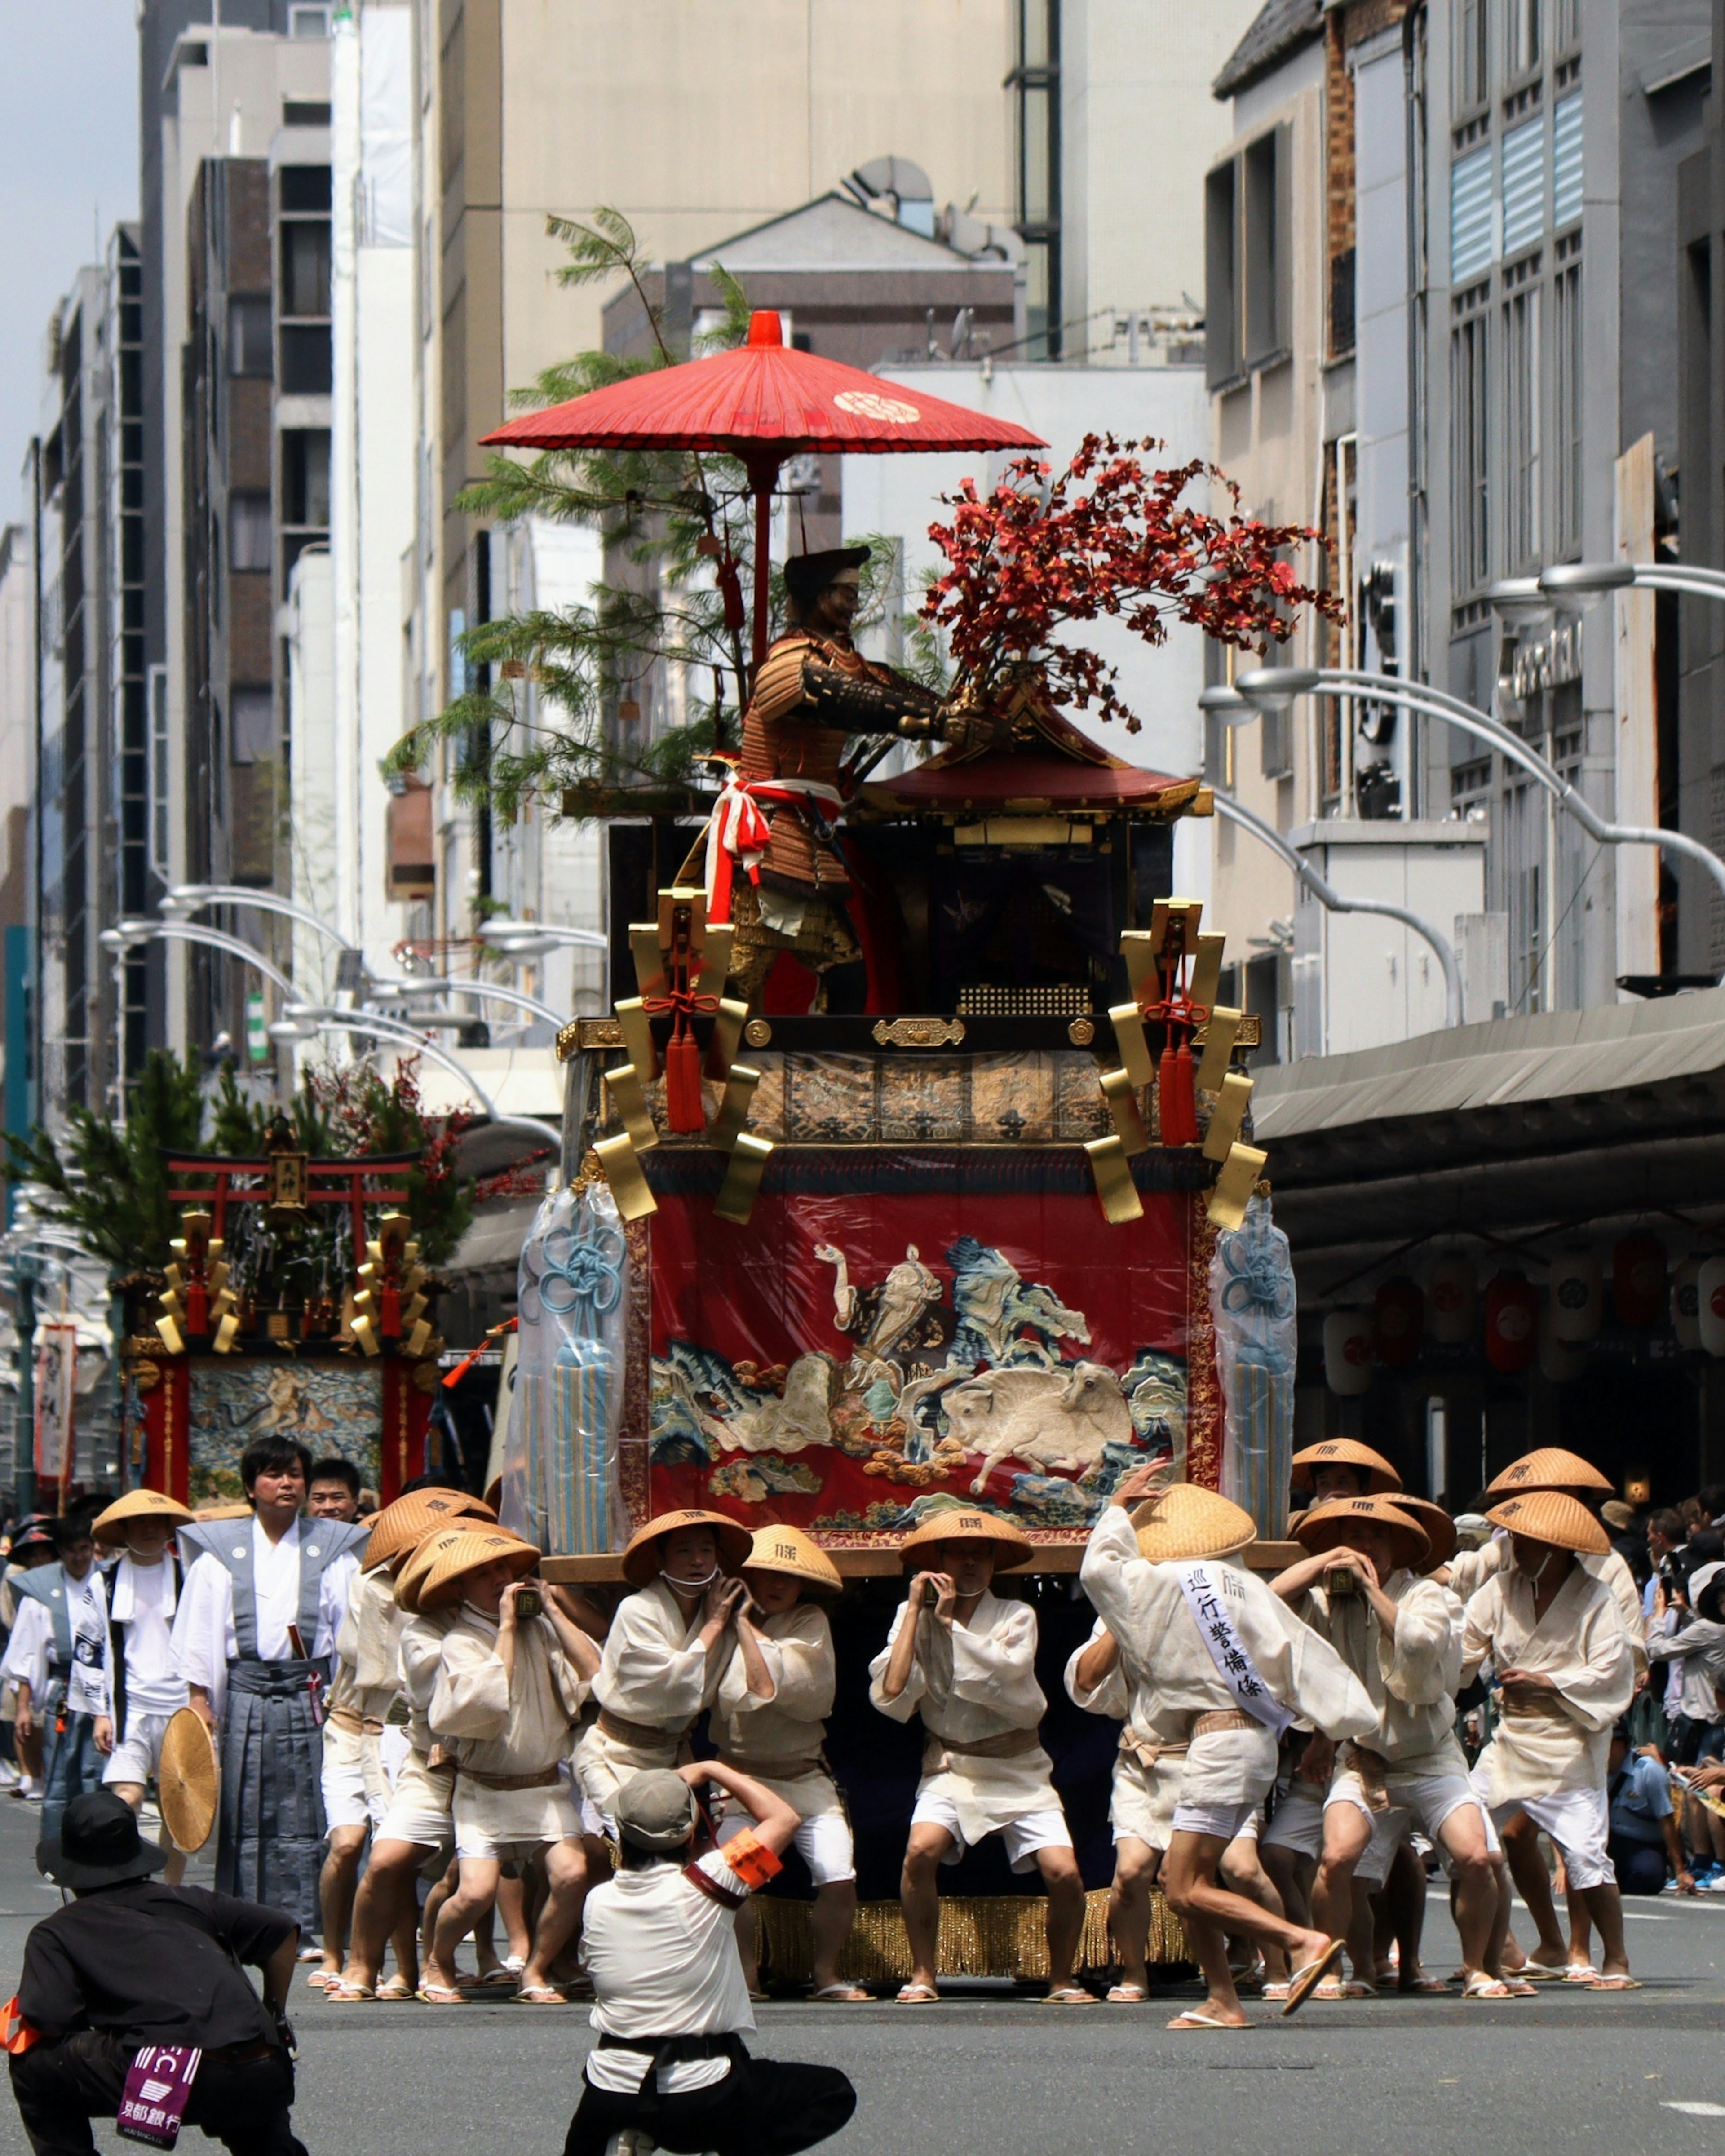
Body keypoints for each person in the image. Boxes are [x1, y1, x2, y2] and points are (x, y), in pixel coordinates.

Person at [1080, 1466, 1378, 2029]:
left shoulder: (1157, 1582)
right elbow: (1302, 1656)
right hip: (1247, 1742)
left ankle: (1301, 1939)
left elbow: (1099, 1568)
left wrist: (1117, 1508)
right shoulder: (1242, 1587)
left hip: (1218, 1744)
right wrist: (1331, 1726)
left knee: (1187, 1886)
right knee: (1179, 1881)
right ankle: (1223, 1997)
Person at [715, 545, 991, 1009]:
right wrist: (932, 718)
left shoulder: (843, 660)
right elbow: (845, 698)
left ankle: (819, 1064)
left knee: (844, 974)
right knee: (740, 977)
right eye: (845, 593)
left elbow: (887, 691)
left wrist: (953, 710)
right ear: (817, 595)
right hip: (767, 840)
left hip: (804, 839)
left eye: (854, 593)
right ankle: (720, 1068)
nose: (853, 603)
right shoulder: (788, 662)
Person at [1270, 1494, 1506, 1998]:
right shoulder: (1330, 1598)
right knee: (1337, 1859)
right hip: (1363, 1758)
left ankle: (1478, 1967)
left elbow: (1418, 1645)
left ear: (1398, 1544)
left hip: (1430, 1754)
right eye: (1355, 1536)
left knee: (1477, 1857)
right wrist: (1322, 1561)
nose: (1367, 1545)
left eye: (1377, 1536)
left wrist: (1371, 1589)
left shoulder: (1425, 1594)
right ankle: (1342, 1969)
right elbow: (1270, 1601)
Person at [565, 1762, 857, 2156]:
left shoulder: (597, 1900)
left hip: (609, 2090)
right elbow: (783, 1818)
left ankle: (638, 2131)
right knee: (832, 2092)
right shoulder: (710, 1883)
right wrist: (713, 1767)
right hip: (702, 2091)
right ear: (689, 1831)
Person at [869, 1510, 1090, 2006]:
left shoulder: (1017, 1615)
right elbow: (893, 1687)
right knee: (919, 1852)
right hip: (952, 1765)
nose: (969, 1562)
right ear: (939, 1561)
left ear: (993, 1563)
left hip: (1018, 1765)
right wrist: (914, 1610)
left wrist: (952, 1627)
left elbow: (1007, 1675)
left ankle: (1061, 1977)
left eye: (981, 1554)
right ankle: (924, 1972)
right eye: (958, 1553)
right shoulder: (917, 1618)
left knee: (1065, 1872)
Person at [7, 1789, 305, 2156]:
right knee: (245, 2058)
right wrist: (274, 2012)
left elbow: (47, 2019)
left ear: (71, 1874)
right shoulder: (194, 1901)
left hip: (172, 2074)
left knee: (33, 2063)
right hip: (260, 2067)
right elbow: (281, 1933)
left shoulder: (57, 1932)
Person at [170, 1436, 367, 1936]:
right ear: (250, 1486)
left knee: (315, 1803)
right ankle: (245, 1920)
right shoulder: (219, 1553)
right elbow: (200, 1631)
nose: (287, 1483)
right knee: (247, 1805)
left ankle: (317, 1923)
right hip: (247, 1693)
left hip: (313, 1693)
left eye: (296, 1474)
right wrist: (201, 1702)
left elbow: (353, 1633)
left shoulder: (334, 1547)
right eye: (275, 1474)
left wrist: (350, 1701)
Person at [327, 1499, 509, 2003]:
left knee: (482, 1859)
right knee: (390, 1859)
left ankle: (487, 1958)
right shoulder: (400, 1604)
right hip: (416, 1749)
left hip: (493, 1762)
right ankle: (375, 1961)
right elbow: (383, 1673)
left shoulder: (507, 1601)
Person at [1460, 1489, 1637, 1988]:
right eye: (1514, 1536)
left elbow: (1613, 1666)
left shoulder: (1597, 1593)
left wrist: (1548, 1681)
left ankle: (1617, 1958)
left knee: (1585, 1854)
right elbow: (1463, 1646)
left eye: (1526, 1539)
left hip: (1569, 1740)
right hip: (1512, 1735)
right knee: (1466, 1833)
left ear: (1556, 1545)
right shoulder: (1500, 1588)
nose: (1515, 1545)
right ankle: (1489, 1956)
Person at [419, 1528, 601, 2005]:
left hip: (543, 1785)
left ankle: (537, 1968)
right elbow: (483, 1704)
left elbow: (596, 1674)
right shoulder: (461, 1638)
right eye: (483, 1573)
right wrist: (503, 1627)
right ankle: (438, 1960)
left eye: (503, 1568)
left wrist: (555, 1610)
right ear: (460, 1587)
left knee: (571, 1872)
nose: (499, 1578)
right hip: (485, 1790)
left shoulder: (540, 1626)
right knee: (475, 1891)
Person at [1065, 1617, 1282, 2002]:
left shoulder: (1211, 1602)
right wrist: (1121, 1617)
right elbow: (1086, 1682)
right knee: (1131, 1872)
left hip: (1213, 1757)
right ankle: (1134, 1974)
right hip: (1143, 1762)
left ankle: (1279, 1969)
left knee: (1242, 1869)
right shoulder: (1120, 1609)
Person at [711, 1525, 864, 2002]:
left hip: (805, 1782)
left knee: (837, 1874)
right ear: (746, 1576)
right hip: (743, 1785)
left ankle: (826, 1972)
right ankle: (747, 1974)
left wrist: (745, 1625)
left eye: (787, 1577)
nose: (776, 1585)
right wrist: (730, 1620)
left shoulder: (809, 1620)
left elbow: (799, 1691)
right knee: (738, 1876)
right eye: (765, 1574)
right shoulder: (716, 1622)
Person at [575, 1508, 752, 1833]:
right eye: (684, 1550)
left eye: (706, 1550)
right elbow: (672, 1687)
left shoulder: (722, 1611)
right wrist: (713, 1625)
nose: (698, 1560)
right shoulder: (638, 1610)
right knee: (632, 1843)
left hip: (672, 1757)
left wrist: (731, 1621)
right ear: (662, 1558)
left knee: (675, 1852)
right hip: (617, 1754)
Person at [88, 1490, 195, 1884]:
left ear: (169, 1528)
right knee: (126, 1799)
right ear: (125, 1530)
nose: (150, 1529)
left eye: (157, 1522)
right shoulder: (105, 1583)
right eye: (140, 1522)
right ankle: (123, 1883)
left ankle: (170, 1892)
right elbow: (91, 1649)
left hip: (182, 1707)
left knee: (177, 1809)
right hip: (129, 1707)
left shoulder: (190, 1576)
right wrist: (100, 1711)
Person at [2, 1520, 110, 1845]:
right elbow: (28, 1653)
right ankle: (58, 1847)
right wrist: (24, 1708)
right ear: (59, 1552)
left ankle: (105, 1846)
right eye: (71, 1550)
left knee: (102, 1773)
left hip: (105, 1693)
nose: (79, 1557)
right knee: (61, 1770)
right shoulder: (41, 1591)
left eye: (84, 1549)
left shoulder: (110, 1580)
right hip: (62, 1694)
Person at [2, 1518, 58, 1798]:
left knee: (54, 1724)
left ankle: (48, 1774)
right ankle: (28, 1775)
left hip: (56, 1665)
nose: (40, 1559)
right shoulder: (18, 1584)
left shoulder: (65, 1582)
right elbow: (11, 1619)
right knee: (21, 1717)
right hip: (25, 1655)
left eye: (45, 1553)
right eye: (34, 1554)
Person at [1603, 1725, 1691, 1895]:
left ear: (1626, 1745)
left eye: (1612, 1744)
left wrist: (1680, 1870)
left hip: (1643, 1844)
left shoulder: (1649, 1771)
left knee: (1648, 1877)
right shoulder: (1592, 1769)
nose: (1606, 1750)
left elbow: (1666, 1820)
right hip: (1608, 1840)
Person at [1288, 1440, 1402, 1513]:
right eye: (1324, 1484)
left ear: (1363, 1487)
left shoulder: (1378, 1517)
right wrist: (1318, 1513)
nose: (1333, 1491)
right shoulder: (1308, 1516)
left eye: (1342, 1483)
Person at [305, 1457, 363, 1523]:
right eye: (319, 1499)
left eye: (337, 1498)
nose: (328, 1507)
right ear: (306, 1503)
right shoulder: (295, 1532)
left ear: (355, 1503)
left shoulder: (370, 1532)